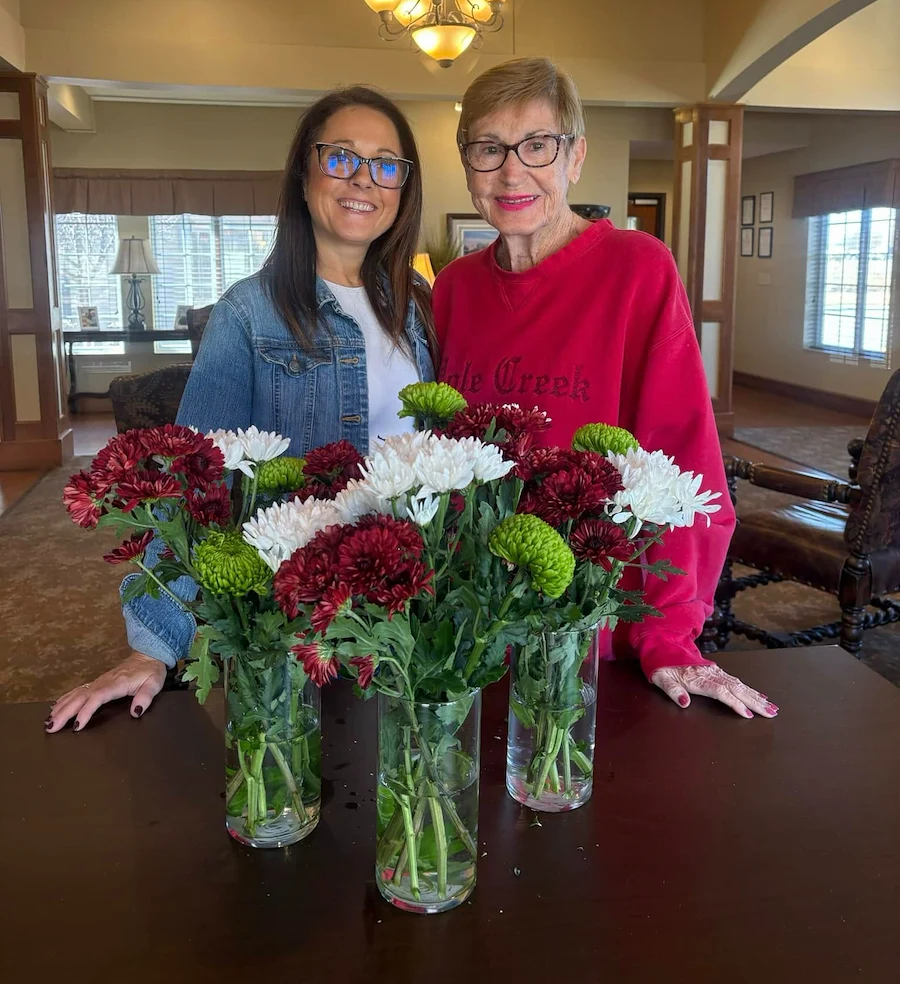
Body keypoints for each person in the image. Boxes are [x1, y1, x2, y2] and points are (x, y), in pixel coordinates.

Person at [48, 86, 436, 732]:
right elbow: (192, 483)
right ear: (304, 173)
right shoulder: (247, 316)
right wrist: (152, 645)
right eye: (341, 157)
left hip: (399, 616)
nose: (363, 179)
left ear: (402, 187)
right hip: (293, 621)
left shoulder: (414, 308)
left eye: (385, 164)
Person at [432, 57, 777, 720]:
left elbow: (681, 463)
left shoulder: (637, 268)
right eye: (488, 148)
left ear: (576, 156)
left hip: (592, 625)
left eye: (537, 145)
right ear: (468, 162)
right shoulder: (455, 288)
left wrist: (669, 635)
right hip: (477, 624)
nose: (512, 171)